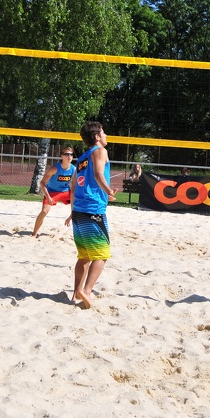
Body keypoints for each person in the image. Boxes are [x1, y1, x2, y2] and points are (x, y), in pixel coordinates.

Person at [65, 122, 117, 309]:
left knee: (84, 256)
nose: (105, 135)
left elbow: (73, 186)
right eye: (103, 132)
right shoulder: (99, 151)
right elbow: (97, 174)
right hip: (93, 209)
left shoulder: (82, 158)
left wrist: (72, 213)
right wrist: (109, 190)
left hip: (79, 210)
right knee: (102, 255)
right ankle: (86, 291)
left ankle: (75, 294)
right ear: (96, 137)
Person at [30, 146, 76, 238]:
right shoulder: (55, 168)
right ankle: (34, 233)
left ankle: (78, 232)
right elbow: (42, 183)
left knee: (80, 204)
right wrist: (48, 197)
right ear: (62, 156)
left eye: (71, 154)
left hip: (65, 191)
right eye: (66, 154)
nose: (69, 156)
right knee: (44, 211)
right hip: (52, 192)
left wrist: (72, 213)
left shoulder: (73, 169)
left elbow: (74, 188)